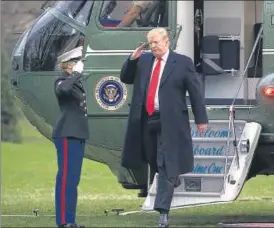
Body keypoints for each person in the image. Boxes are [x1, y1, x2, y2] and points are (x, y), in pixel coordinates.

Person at [120, 27, 208, 227]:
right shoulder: (144, 61)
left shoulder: (182, 63)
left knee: (165, 163)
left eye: (156, 43)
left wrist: (201, 118)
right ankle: (171, 177)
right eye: (150, 43)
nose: (153, 47)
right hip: (147, 119)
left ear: (167, 42)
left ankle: (163, 213)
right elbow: (125, 78)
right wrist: (132, 59)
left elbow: (195, 92)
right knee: (153, 159)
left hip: (171, 122)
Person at [52, 46, 89, 228]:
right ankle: (64, 221)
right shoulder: (61, 81)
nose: (80, 65)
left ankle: (70, 220)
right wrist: (75, 75)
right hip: (67, 134)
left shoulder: (75, 83)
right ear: (68, 65)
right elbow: (64, 90)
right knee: (66, 179)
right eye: (77, 62)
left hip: (77, 134)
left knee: (72, 179)